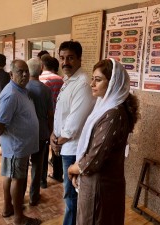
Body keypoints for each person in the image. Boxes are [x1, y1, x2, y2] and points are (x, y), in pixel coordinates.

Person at [68, 59, 139, 224]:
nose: (92, 83)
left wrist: (72, 168)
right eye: (92, 78)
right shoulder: (105, 106)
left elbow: (93, 159)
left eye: (98, 80)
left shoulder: (113, 114)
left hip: (99, 187)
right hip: (98, 184)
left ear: (113, 83)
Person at [50, 41, 95, 225]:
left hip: (74, 150)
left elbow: (74, 123)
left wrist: (57, 141)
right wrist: (54, 135)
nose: (65, 62)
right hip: (64, 145)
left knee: (72, 197)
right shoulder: (68, 80)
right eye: (62, 58)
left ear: (79, 59)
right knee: (69, 195)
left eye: (70, 58)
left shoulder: (83, 83)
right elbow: (62, 114)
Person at [0, 60, 41, 225]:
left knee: (10, 175)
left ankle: (8, 208)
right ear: (11, 74)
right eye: (20, 71)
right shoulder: (12, 94)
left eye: (26, 71)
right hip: (16, 146)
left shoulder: (20, 90)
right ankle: (19, 218)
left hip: (17, 145)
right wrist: (0, 135)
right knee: (17, 179)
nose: (25, 74)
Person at [26, 58, 53, 206]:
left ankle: (20, 196)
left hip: (26, 133)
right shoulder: (46, 89)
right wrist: (50, 130)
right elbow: (50, 114)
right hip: (41, 132)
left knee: (23, 167)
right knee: (37, 165)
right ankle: (33, 196)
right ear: (41, 70)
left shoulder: (23, 88)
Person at [39, 55, 64, 188]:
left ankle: (42, 181)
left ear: (42, 66)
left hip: (44, 119)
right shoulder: (61, 80)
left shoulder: (40, 79)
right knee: (56, 146)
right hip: (58, 118)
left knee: (43, 149)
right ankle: (58, 174)